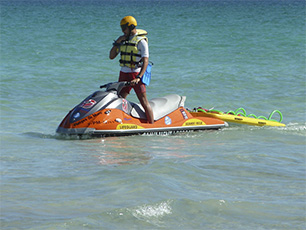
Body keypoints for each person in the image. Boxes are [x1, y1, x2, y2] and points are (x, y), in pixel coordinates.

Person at [109, 16, 154, 124]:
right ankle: (118, 122)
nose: (123, 31)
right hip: (123, 74)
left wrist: (139, 77)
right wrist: (117, 42)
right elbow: (111, 56)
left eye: (124, 28)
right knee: (119, 100)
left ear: (131, 27)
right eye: (122, 28)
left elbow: (145, 61)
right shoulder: (123, 40)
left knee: (143, 101)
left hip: (136, 74)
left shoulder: (141, 42)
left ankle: (151, 124)